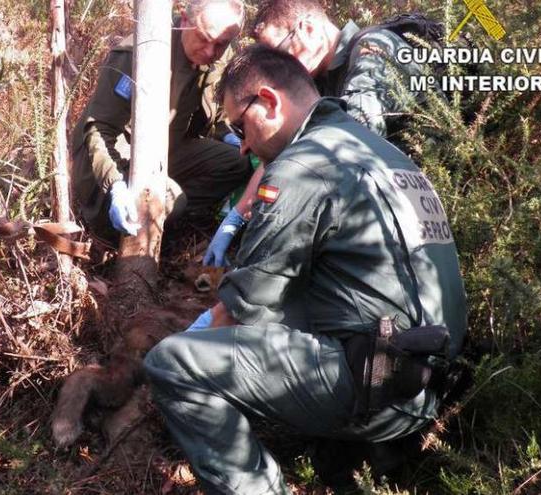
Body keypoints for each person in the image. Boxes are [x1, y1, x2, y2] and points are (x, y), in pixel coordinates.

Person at [144, 46, 467, 494]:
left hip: (378, 387)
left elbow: (244, 309)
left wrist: (191, 344)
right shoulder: (383, 152)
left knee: (173, 364)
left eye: (240, 126)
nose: (242, 145)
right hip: (431, 381)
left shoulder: (300, 168)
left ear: (269, 101)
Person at [204, 0, 425, 266]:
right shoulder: (317, 79)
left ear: (307, 29)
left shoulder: (373, 48)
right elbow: (287, 151)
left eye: (281, 54)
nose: (275, 70)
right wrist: (238, 215)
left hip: (422, 205)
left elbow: (353, 140)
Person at [71, 0, 253, 241]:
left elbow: (214, 113)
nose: (210, 51)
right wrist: (115, 185)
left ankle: (165, 215)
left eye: (220, 44)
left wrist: (228, 135)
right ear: (184, 18)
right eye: (203, 37)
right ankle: (120, 227)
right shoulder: (138, 54)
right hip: (121, 156)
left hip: (168, 150)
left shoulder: (220, 54)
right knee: (169, 199)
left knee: (235, 163)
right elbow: (99, 129)